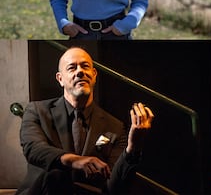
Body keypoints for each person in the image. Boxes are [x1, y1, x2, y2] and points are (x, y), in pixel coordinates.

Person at [17, 47, 154, 194]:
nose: (80, 71)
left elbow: (114, 186)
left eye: (85, 66)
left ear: (94, 75)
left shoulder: (114, 126)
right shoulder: (37, 111)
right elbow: (34, 149)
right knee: (55, 175)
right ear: (60, 79)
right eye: (72, 68)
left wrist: (133, 148)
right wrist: (74, 160)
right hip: (42, 190)